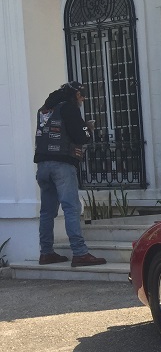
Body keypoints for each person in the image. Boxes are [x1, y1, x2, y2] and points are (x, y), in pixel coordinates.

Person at [33, 82, 107, 267]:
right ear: (75, 95)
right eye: (82, 95)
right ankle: (80, 253)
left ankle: (46, 252)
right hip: (62, 165)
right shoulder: (69, 108)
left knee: (47, 211)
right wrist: (88, 129)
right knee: (71, 208)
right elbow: (81, 137)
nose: (83, 99)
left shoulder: (44, 109)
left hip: (42, 165)